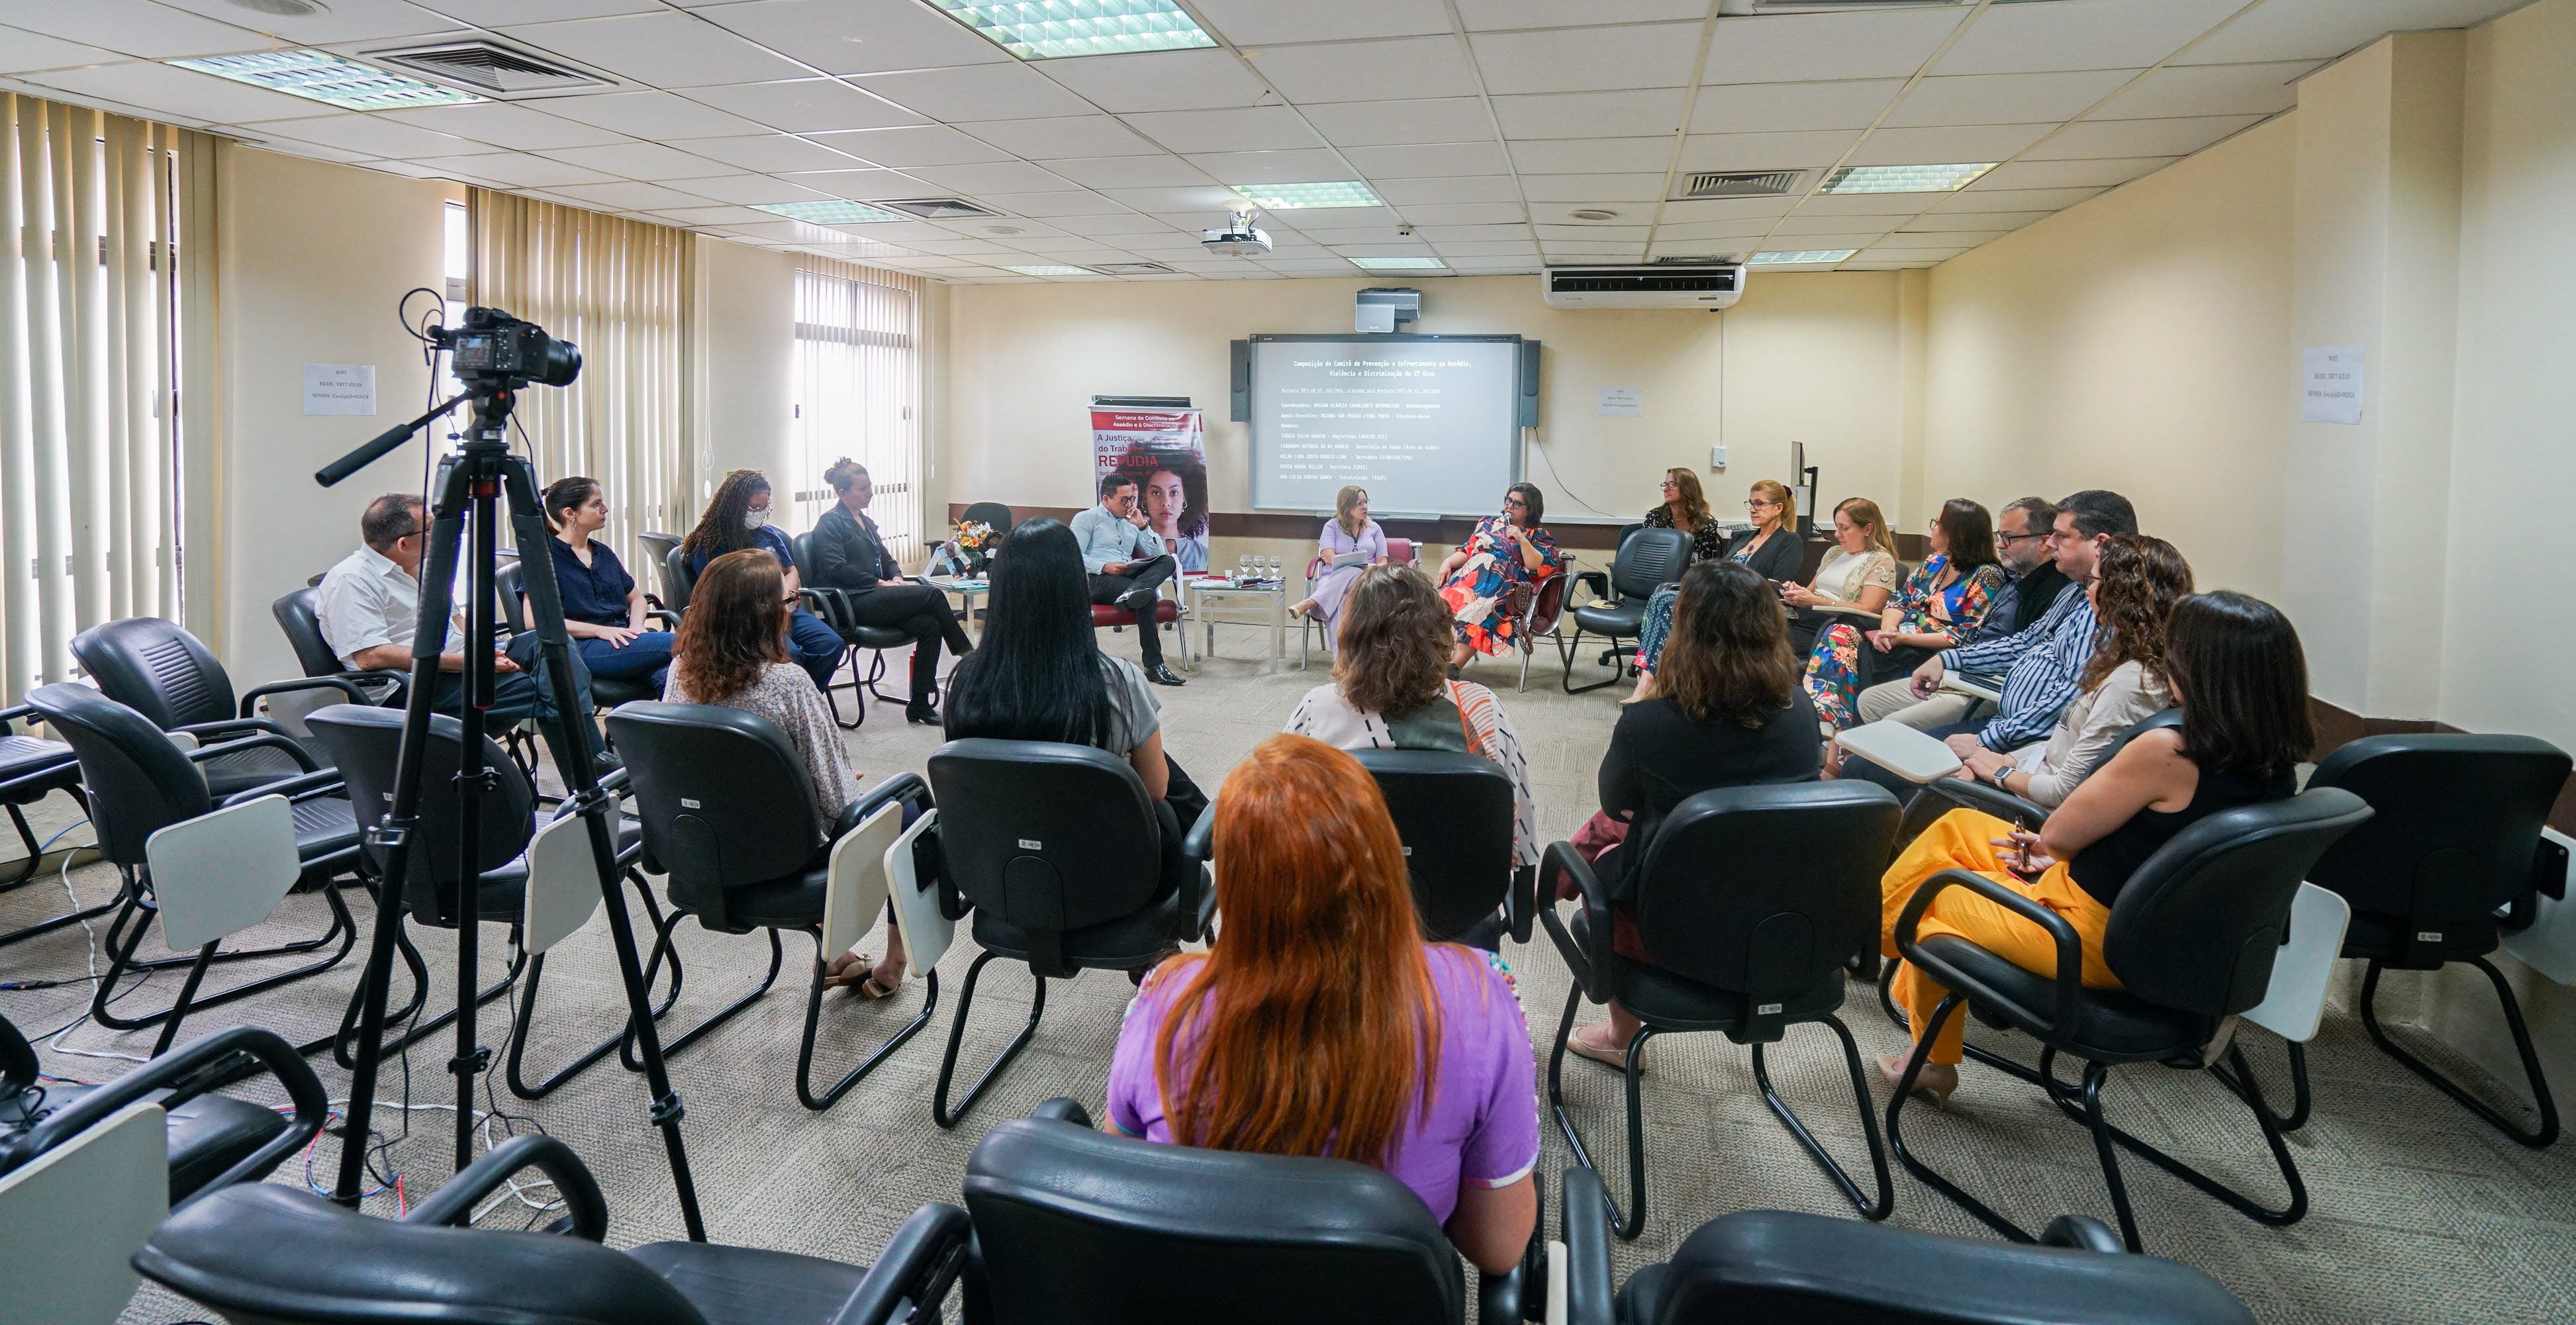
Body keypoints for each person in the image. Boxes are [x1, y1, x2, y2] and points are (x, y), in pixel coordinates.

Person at [1106, 734, 1539, 1273]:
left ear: (1237, 883)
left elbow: (1124, 1184)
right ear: (1386, 858)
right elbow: (1497, 1250)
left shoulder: (1165, 1001)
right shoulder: (1480, 998)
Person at [1875, 590, 2311, 1105]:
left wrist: (2052, 847)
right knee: (1961, 827)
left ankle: (1927, 1054)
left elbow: (2059, 833)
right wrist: (2052, 850)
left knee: (1932, 899)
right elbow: (2119, 839)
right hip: (2154, 925)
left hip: (2095, 935)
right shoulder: (2277, 759)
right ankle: (1876, 937)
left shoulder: (2167, 748)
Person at [1566, 560, 1823, 1070]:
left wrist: (1646, 696)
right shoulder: (1802, 711)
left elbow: (1618, 804)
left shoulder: (1649, 725)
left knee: (1607, 853)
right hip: (1781, 930)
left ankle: (1621, 1039)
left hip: (1669, 934)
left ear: (1683, 631)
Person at [663, 549, 901, 996]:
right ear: (766, 615)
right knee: (911, 816)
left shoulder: (679, 671)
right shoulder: (788, 683)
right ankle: (894, 963)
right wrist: (839, 785)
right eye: (787, 604)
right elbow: (838, 803)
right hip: (778, 860)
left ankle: (840, 955)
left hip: (699, 850)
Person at [1840, 490, 2138, 792]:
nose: (2051, 544)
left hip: (2021, 740)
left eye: (2061, 536)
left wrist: (1988, 740)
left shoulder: (2107, 609)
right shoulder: (2076, 591)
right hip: (2007, 722)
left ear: (2100, 544)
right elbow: (2025, 642)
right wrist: (1948, 660)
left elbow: (2066, 700)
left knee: (1868, 765)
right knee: (1872, 749)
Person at [944, 519, 1206, 825]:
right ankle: (1205, 820)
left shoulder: (965, 680)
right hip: (1098, 850)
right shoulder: (1118, 681)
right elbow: (1155, 788)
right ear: (1078, 586)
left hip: (1001, 848)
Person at [315, 492, 604, 768]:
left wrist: (486, 651)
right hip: (413, 686)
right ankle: (588, 770)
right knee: (550, 685)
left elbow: (457, 623)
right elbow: (371, 657)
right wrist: (474, 663)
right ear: (403, 544)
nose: (443, 534)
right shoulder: (351, 580)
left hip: (457, 666)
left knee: (553, 645)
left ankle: (589, 763)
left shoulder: (422, 566)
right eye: (431, 528)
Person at [1286, 565, 1537, 870]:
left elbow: (1281, 823)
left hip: (1341, 905)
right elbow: (1521, 841)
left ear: (1351, 634)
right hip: (1459, 906)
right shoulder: (1483, 708)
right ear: (1440, 631)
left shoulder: (1316, 709)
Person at [1952, 535, 2191, 808]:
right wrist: (2007, 760)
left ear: (2120, 595)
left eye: (2093, 582)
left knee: (1930, 793)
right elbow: (2062, 745)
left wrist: (2000, 773)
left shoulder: (2130, 684)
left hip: (2035, 810)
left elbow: (2067, 790)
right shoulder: (2120, 656)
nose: (2087, 591)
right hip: (2029, 775)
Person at [1852, 496, 2072, 728]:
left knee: (1892, 723)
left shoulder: (2028, 584)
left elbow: (2014, 648)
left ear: (2044, 542)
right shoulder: (2016, 580)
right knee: (1868, 698)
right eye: (2000, 536)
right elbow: (1902, 599)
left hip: (1984, 682)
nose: (2000, 545)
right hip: (1962, 668)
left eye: (2009, 538)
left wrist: (1947, 659)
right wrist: (1890, 628)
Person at [1803, 498, 2003, 735]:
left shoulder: (1987, 575)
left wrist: (1903, 639)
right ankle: (1825, 722)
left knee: (1855, 649)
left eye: (1937, 523)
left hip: (1933, 652)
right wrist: (1888, 629)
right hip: (1900, 636)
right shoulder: (1935, 561)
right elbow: (1900, 600)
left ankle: (1837, 730)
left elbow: (1963, 636)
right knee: (1844, 635)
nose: (1932, 527)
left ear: (1956, 533)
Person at [806, 457, 975, 725]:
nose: (869, 493)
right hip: (851, 602)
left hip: (874, 598)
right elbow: (837, 569)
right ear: (842, 493)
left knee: (930, 624)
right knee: (931, 595)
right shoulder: (830, 524)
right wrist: (879, 583)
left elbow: (886, 559)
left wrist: (895, 576)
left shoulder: (867, 523)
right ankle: (967, 655)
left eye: (870, 486)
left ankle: (919, 704)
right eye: (862, 489)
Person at [679, 469, 843, 692]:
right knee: (790, 654)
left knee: (830, 644)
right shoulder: (708, 543)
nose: (758, 513)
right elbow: (721, 590)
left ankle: (803, 700)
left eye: (763, 508)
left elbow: (791, 571)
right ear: (733, 505)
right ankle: (775, 702)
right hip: (744, 619)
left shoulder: (769, 536)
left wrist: (784, 600)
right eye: (753, 508)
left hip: (783, 611)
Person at [1634, 478, 1804, 672]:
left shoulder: (1788, 542)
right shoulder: (1741, 538)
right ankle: (1651, 674)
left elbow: (1775, 586)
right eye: (1751, 503)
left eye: (1759, 504)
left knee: (1665, 600)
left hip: (1747, 607)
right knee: (1660, 598)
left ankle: (1653, 677)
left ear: (1778, 508)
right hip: (1717, 599)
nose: (1753, 509)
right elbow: (1719, 571)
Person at [534, 477, 673, 692]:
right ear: (570, 513)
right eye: (596, 504)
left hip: (622, 640)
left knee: (673, 677)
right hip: (582, 648)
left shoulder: (603, 553)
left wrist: (636, 626)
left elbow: (636, 599)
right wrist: (600, 631)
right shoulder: (545, 557)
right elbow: (534, 622)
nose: (605, 509)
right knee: (688, 644)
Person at [1071, 474, 1186, 687]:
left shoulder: (1131, 521)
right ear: (1106, 500)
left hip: (1127, 577)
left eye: (1132, 499)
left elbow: (1158, 553)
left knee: (1167, 561)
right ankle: (1154, 666)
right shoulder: (1087, 518)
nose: (1129, 504)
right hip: (1098, 579)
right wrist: (1104, 566)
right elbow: (1073, 556)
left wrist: (1142, 526)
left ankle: (1134, 592)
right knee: (1147, 596)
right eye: (1123, 500)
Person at [1435, 482, 1562, 674]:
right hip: (1471, 578)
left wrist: (1521, 539)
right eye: (1508, 500)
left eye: (1517, 504)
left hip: (1503, 586)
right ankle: (1433, 665)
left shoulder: (1539, 536)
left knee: (1479, 613)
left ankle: (1451, 669)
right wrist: (1448, 562)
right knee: (1439, 610)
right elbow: (1468, 551)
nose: (1509, 506)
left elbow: (1537, 566)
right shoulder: (1486, 523)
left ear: (1531, 510)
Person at [1778, 496, 1897, 657]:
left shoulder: (1881, 561)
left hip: (1835, 626)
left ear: (1868, 529)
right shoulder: (1834, 553)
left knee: (1770, 641)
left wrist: (1815, 601)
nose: (1837, 534)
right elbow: (1811, 591)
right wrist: (1796, 593)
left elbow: (1869, 609)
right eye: (1836, 527)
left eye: (1845, 528)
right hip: (1807, 617)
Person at [1289, 484, 1388, 649]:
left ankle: (1310, 602)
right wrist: (1352, 565)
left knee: (1353, 572)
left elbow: (1383, 562)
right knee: (1341, 600)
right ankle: (1342, 660)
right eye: (1360, 504)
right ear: (1347, 507)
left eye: (1366, 502)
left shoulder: (1375, 529)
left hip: (1365, 579)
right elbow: (1328, 558)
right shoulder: (1331, 526)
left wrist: (1369, 567)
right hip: (1332, 578)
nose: (1365, 507)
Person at [1134, 459, 1210, 573]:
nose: (1166, 502)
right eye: (1156, 493)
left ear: (1185, 497)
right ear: (1145, 497)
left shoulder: (1202, 554)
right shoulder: (1131, 547)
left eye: (1174, 493)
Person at [1641, 467, 1727, 562]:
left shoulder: (1707, 523)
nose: (1665, 489)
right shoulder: (1655, 517)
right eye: (1665, 485)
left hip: (1694, 575)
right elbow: (1647, 559)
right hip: (1659, 574)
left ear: (1687, 488)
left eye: (1672, 485)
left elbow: (1705, 566)